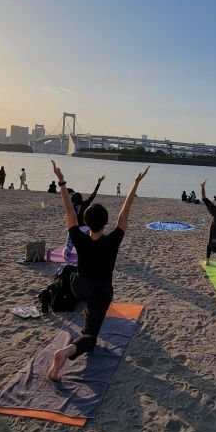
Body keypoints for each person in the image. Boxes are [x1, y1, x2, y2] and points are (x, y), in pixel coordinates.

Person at [47, 161, 149, 381]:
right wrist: (135, 184)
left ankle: (80, 308)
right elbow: (125, 211)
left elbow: (68, 210)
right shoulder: (113, 240)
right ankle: (65, 352)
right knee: (90, 336)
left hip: (78, 285)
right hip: (100, 292)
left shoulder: (79, 237)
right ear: (106, 223)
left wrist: (62, 181)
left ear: (85, 222)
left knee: (71, 271)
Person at [63, 175, 106, 260]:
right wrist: (98, 183)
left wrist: (62, 185)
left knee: (69, 244)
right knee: (90, 240)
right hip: (86, 229)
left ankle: (66, 253)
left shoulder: (71, 207)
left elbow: (65, 199)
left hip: (75, 229)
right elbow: (93, 195)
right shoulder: (84, 204)